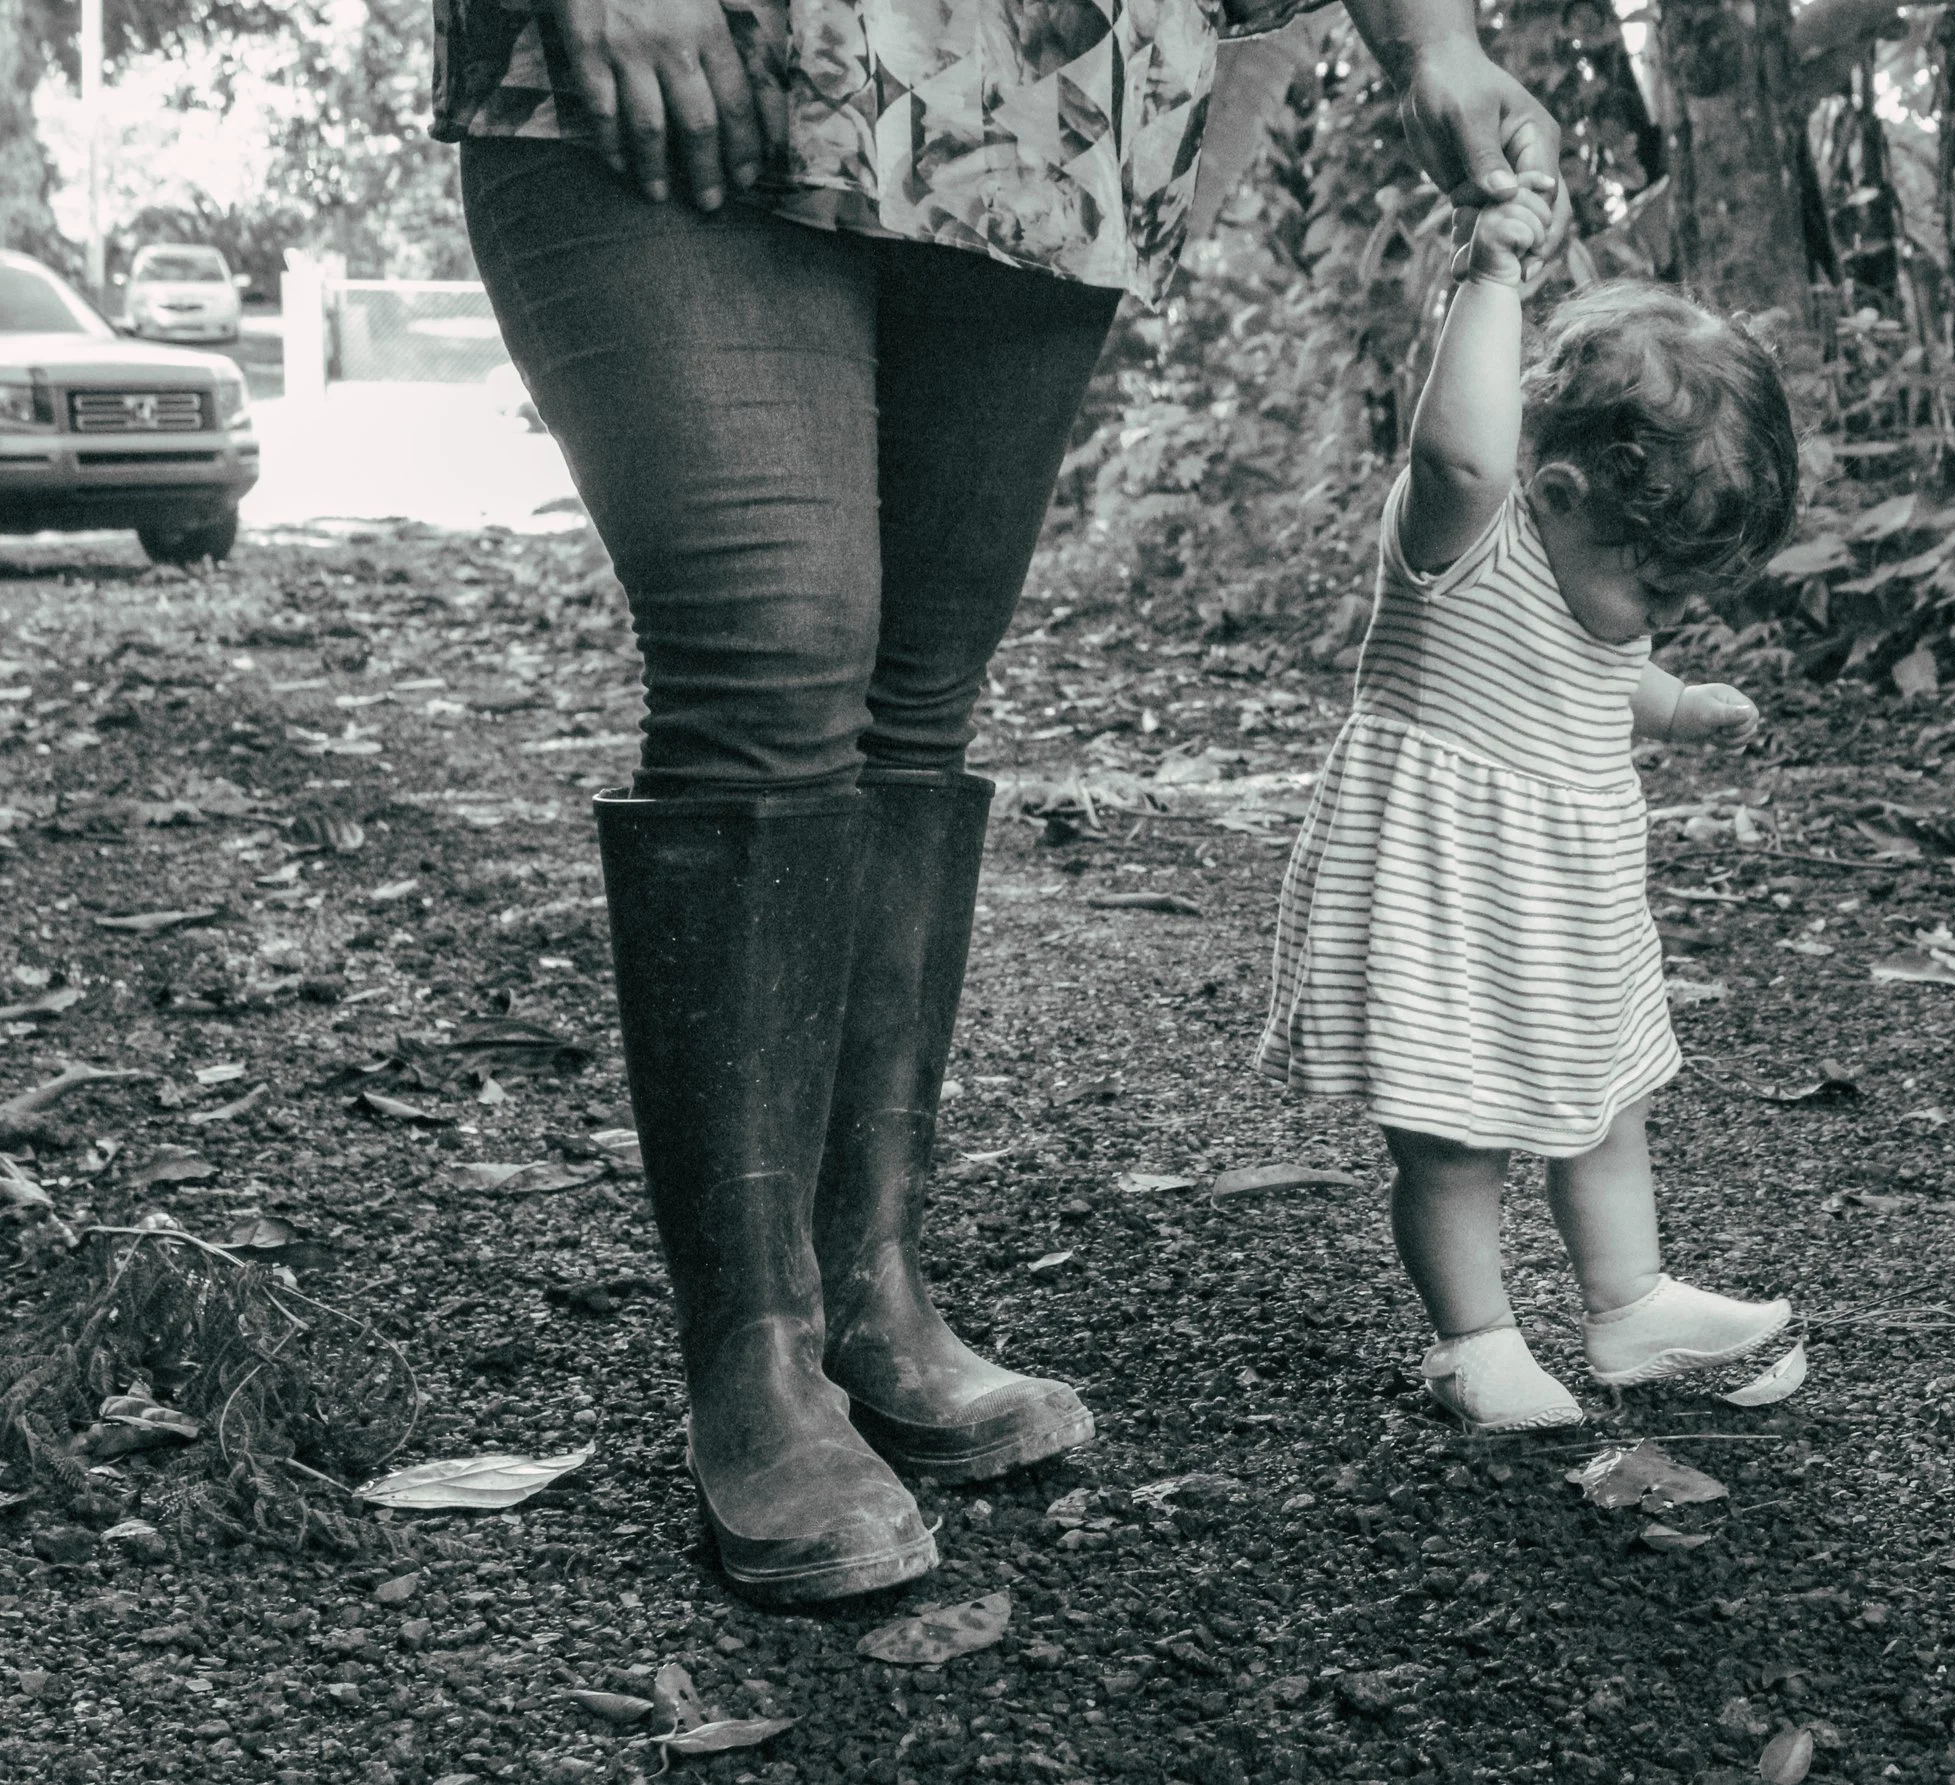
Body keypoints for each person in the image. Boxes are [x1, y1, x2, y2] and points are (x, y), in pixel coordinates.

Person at [430, 0, 1566, 1606]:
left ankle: (868, 1292)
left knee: (912, 693)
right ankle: (755, 1367)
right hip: (702, 44)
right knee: (771, 652)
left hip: (1037, 92)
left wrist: (1433, 44)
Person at [1255, 187, 1806, 1435]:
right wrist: (1493, 274)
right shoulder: (1464, 531)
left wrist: (1673, 705)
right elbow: (1459, 448)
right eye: (1652, 577)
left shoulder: (1593, 584)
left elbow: (1605, 672)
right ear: (1553, 494)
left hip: (1569, 908)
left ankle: (1629, 1304)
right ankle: (1477, 1341)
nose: (1658, 608)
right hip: (1447, 895)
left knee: (1607, 1106)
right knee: (1455, 1136)